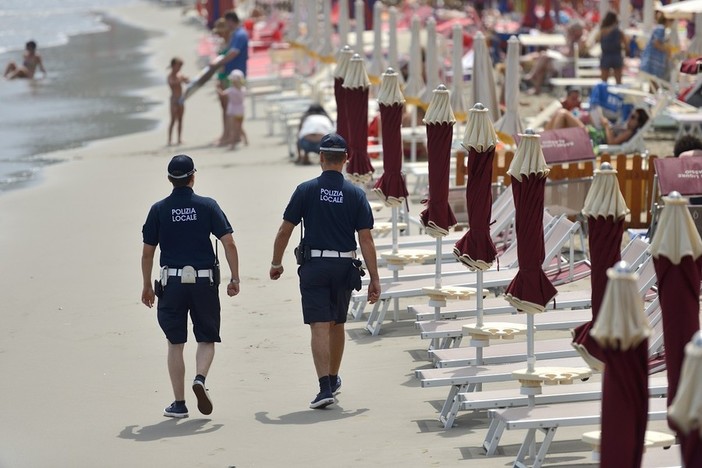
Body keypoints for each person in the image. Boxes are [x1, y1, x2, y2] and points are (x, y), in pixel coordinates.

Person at [269, 133, 381, 409]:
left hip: (315, 265)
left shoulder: (305, 190)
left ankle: (324, 388)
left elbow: (286, 229)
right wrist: (375, 278)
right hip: (345, 265)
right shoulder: (355, 193)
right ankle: (332, 378)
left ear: (320, 158)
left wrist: (276, 262)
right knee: (337, 324)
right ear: (346, 159)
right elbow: (365, 239)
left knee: (319, 325)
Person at [141, 154, 241, 418]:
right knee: (206, 337)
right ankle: (200, 378)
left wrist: (146, 286)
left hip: (171, 282)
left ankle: (179, 403)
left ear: (169, 180)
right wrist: (235, 277)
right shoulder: (207, 206)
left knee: (175, 343)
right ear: (193, 177)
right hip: (203, 280)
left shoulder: (159, 209)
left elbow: (147, 253)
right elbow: (228, 242)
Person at [545, 106, 649, 146]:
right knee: (559, 114)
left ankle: (549, 144)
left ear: (638, 123)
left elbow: (612, 143)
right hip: (592, 133)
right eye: (631, 115)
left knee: (563, 113)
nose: (630, 118)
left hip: (590, 137)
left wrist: (606, 126)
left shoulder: (629, 132)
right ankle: (545, 141)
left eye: (633, 117)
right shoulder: (625, 129)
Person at [212, 18, 232, 146]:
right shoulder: (224, 43)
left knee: (227, 107)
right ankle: (225, 133)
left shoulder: (229, 43)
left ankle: (227, 134)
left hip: (226, 77)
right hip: (221, 76)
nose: (218, 34)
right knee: (223, 107)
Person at [219, 69, 248, 149]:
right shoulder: (243, 89)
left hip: (233, 110)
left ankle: (232, 144)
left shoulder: (231, 90)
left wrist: (217, 88)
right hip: (241, 110)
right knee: (240, 127)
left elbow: (222, 94)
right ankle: (245, 140)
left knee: (233, 128)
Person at [640, 11, 672, 82]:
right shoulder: (661, 28)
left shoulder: (658, 27)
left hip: (652, 58)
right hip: (654, 59)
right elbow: (656, 43)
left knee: (653, 81)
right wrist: (666, 50)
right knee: (655, 81)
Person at [597, 12, 628, 84]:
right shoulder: (618, 30)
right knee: (618, 81)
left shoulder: (603, 30)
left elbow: (598, 39)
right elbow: (626, 43)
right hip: (616, 55)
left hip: (606, 55)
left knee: (603, 81)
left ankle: (603, 94)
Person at [218, 11, 249, 78]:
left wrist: (220, 63)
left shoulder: (240, 35)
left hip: (237, 74)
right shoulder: (235, 34)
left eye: (226, 22)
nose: (226, 25)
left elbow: (233, 52)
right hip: (231, 73)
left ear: (230, 21)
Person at [167, 57, 189, 146]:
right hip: (174, 100)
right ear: (173, 66)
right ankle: (169, 139)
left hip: (181, 99)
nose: (179, 68)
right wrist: (180, 80)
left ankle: (179, 139)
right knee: (173, 120)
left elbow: (187, 82)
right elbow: (172, 83)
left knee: (180, 119)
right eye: (178, 66)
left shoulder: (180, 75)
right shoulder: (170, 76)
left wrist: (186, 79)